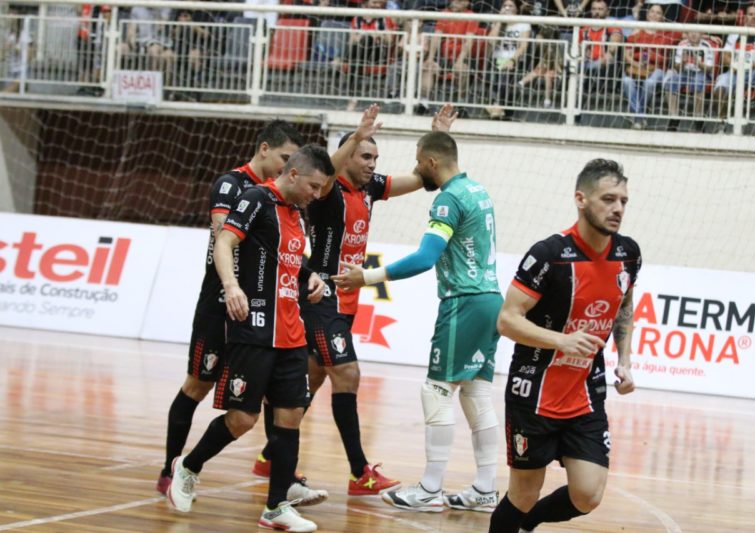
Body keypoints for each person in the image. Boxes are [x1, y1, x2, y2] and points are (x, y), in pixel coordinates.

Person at [254, 103, 459, 496]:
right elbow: (329, 168)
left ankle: (269, 455)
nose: (371, 163)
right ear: (348, 157)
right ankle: (358, 472)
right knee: (347, 374)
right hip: (321, 294)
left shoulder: (369, 188)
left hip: (346, 300)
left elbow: (421, 178)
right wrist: (356, 135)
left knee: (310, 378)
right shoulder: (327, 190)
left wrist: (439, 134)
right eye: (365, 156)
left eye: (375, 158)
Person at [167, 145, 335, 533]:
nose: (314, 194)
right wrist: (230, 285)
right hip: (254, 329)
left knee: (290, 415)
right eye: (312, 186)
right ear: (293, 174)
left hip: (292, 331)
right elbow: (225, 242)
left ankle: (276, 508)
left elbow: (287, 261)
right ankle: (189, 466)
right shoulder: (255, 199)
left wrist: (308, 275)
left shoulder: (296, 213)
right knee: (243, 418)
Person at [333, 131, 503, 513]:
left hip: (464, 302)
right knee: (475, 393)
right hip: (492, 299)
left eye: (417, 161)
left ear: (431, 163)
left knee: (437, 392)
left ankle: (429, 489)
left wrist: (368, 276)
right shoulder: (478, 190)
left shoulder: (448, 200)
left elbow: (425, 258)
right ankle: (485, 489)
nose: (415, 169)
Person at [487, 159, 642, 533]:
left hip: (586, 393)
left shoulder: (628, 254)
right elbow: (507, 320)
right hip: (534, 391)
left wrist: (626, 360)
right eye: (608, 199)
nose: (618, 208)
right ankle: (519, 517)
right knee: (522, 494)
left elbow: (624, 305)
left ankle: (529, 524)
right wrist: (563, 341)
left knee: (587, 494)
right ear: (581, 199)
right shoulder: (549, 254)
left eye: (623, 200)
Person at [155, 120, 305, 496]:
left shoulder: (283, 198)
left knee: (275, 393)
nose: (288, 167)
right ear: (265, 149)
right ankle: (170, 469)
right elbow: (226, 238)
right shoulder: (232, 185)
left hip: (258, 313)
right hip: (219, 304)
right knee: (197, 385)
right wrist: (234, 284)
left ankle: (281, 480)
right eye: (285, 158)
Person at [713, 2, 755, 128]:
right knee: (720, 86)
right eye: (750, 14)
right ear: (745, 17)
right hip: (735, 70)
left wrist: (751, 64)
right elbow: (725, 57)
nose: (754, 17)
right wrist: (736, 65)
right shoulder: (735, 33)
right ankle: (721, 121)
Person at [621, 4, 678, 129]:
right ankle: (640, 117)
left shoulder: (668, 32)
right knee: (626, 81)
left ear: (662, 17)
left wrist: (710, 36)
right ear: (647, 15)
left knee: (650, 83)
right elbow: (627, 54)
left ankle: (637, 117)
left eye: (658, 13)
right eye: (652, 11)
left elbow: (689, 33)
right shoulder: (637, 30)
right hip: (637, 67)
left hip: (657, 68)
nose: (654, 14)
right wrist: (637, 64)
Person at [664, 31, 717, 132]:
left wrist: (698, 63)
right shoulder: (682, 44)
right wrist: (683, 62)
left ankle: (698, 119)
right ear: (687, 34)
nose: (693, 34)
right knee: (670, 84)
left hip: (701, 71)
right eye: (690, 32)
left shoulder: (707, 46)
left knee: (698, 83)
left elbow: (709, 69)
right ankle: (674, 117)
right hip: (685, 71)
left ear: (701, 34)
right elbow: (677, 68)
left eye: (696, 32)